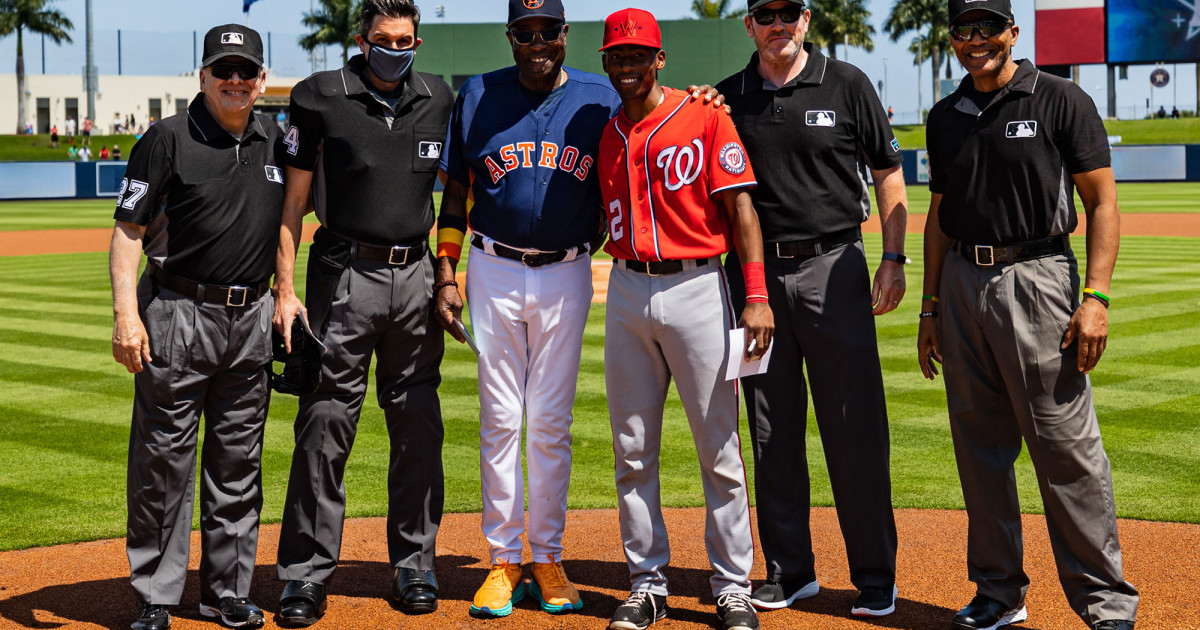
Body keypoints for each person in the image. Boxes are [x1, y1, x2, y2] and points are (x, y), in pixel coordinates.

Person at [434, 0, 726, 618]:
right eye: (525, 33)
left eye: (548, 31)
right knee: (500, 418)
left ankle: (547, 556)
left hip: (566, 271)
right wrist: (445, 272)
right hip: (491, 267)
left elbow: (656, 111)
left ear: (565, 35)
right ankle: (503, 560)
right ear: (510, 36)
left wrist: (707, 96)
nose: (537, 42)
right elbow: (456, 190)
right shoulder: (478, 95)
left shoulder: (598, 96)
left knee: (549, 421)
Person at [918, 2, 1139, 629]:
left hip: (1037, 276)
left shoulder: (1060, 99)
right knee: (979, 449)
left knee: (1065, 447)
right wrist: (930, 306)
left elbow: (1102, 200)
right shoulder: (945, 115)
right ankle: (998, 592)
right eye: (964, 30)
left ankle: (1105, 602)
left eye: (989, 27)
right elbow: (939, 215)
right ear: (954, 40)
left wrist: (1095, 298)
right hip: (961, 280)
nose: (977, 39)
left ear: (1013, 33)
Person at [715, 0, 908, 618]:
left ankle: (875, 576)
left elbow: (888, 172)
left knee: (855, 427)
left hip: (835, 267)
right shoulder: (726, 99)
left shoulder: (847, 83)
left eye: (789, 12)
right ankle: (790, 571)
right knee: (770, 430)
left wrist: (893, 258)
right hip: (756, 281)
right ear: (749, 24)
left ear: (806, 19)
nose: (779, 24)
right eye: (765, 14)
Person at [271, 0, 453, 624]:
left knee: (418, 422)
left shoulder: (438, 96)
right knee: (325, 422)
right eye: (382, 38)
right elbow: (292, 204)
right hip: (344, 272)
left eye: (404, 40)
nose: (393, 49)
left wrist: (446, 275)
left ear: (417, 42)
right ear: (361, 39)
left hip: (416, 274)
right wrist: (284, 290)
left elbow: (459, 188)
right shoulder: (319, 96)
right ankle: (304, 574)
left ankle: (415, 565)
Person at [596, 9, 773, 630]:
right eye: (618, 56)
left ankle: (732, 586)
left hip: (699, 285)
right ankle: (647, 584)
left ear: (659, 58)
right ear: (606, 62)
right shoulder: (606, 131)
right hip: (626, 288)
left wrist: (756, 295)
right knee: (632, 450)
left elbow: (742, 208)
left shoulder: (704, 114)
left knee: (719, 447)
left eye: (638, 55)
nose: (628, 66)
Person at [108, 23, 283, 630]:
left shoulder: (276, 138)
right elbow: (128, 229)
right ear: (203, 75)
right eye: (223, 69)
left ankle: (225, 592)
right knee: (163, 461)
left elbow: (293, 220)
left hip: (251, 317)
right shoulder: (167, 137)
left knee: (238, 462)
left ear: (261, 78)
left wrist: (286, 294)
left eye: (245, 70)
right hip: (178, 313)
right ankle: (156, 596)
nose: (235, 80)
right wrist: (126, 315)